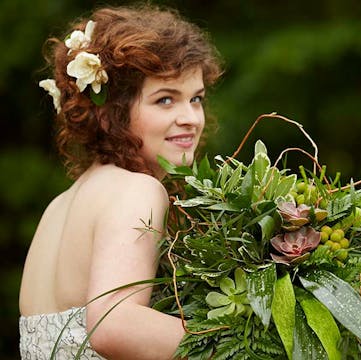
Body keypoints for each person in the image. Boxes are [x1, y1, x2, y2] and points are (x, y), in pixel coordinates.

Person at [18, 4, 222, 359]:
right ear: (112, 112)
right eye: (165, 100)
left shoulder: (61, 205)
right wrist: (247, 342)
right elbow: (114, 324)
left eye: (196, 99)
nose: (190, 117)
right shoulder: (136, 190)